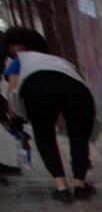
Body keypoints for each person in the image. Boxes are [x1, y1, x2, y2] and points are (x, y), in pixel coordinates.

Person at [1, 26, 96, 202]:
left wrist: (15, 118)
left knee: (44, 135)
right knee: (78, 136)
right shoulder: (56, 59)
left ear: (18, 47)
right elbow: (78, 78)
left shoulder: (19, 59)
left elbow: (12, 90)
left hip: (37, 90)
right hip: (77, 90)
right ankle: (80, 186)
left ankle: (61, 188)